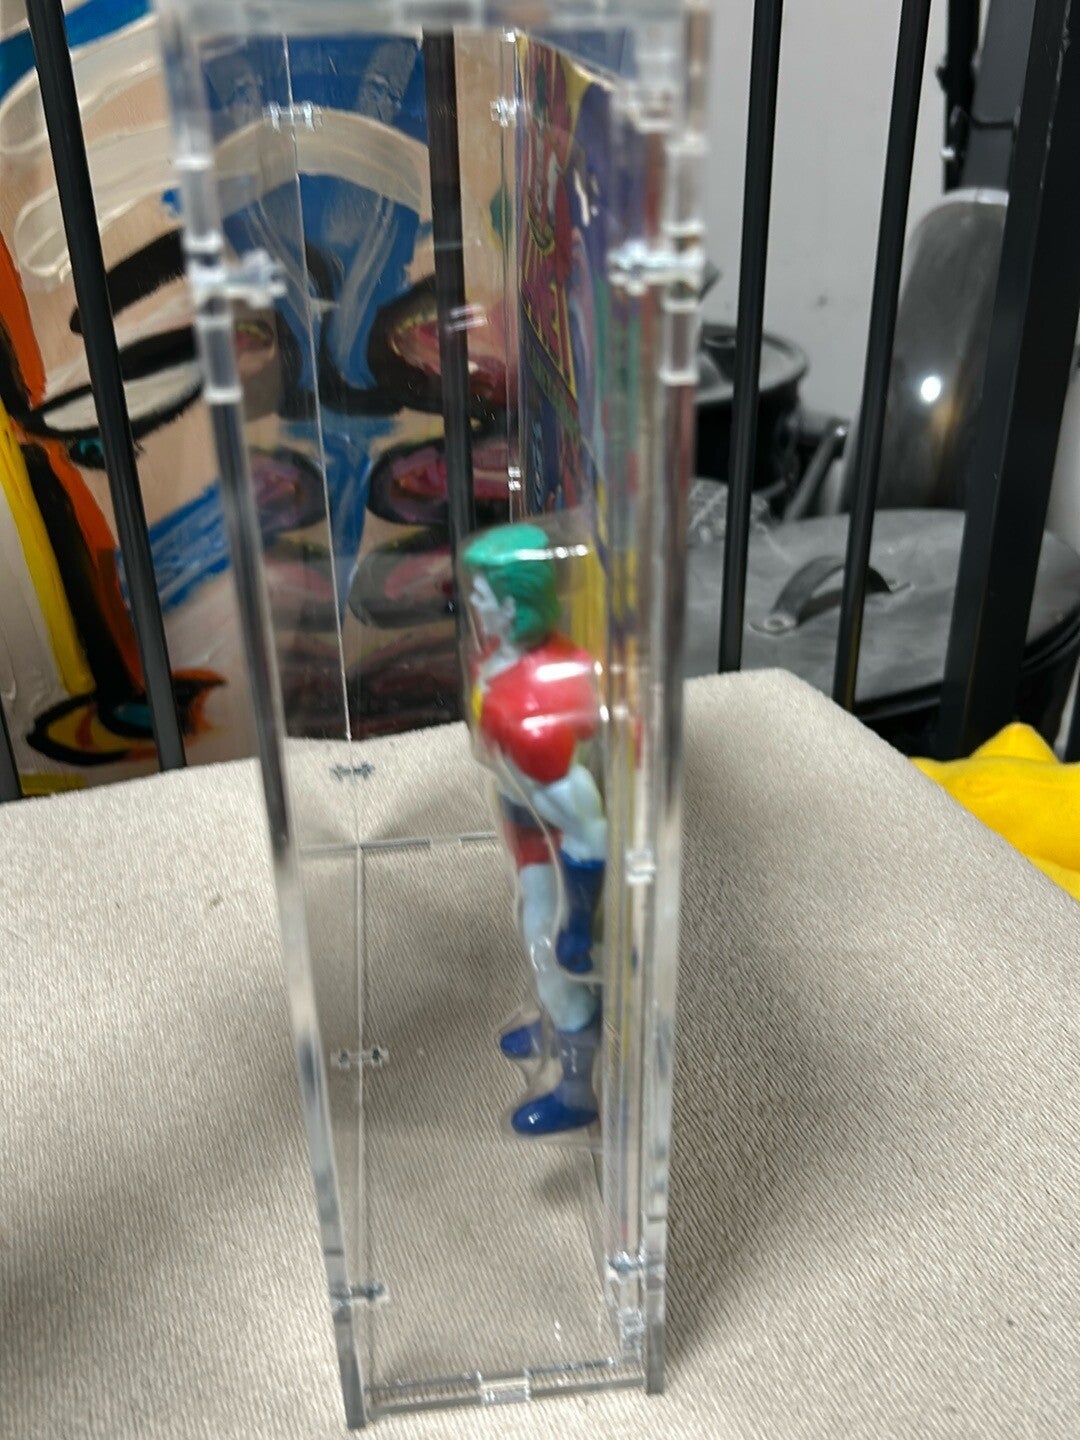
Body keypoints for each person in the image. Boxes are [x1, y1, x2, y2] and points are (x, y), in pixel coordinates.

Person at [462, 523, 605, 1137]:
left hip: (550, 843)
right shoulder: (501, 662)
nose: (472, 600)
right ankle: (551, 1021)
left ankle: (576, 1092)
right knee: (532, 933)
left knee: (550, 959)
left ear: (515, 604)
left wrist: (579, 926)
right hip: (524, 828)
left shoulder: (531, 712)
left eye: (484, 592)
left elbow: (589, 826)